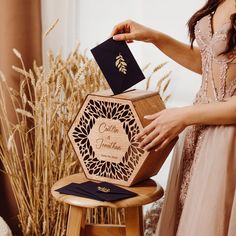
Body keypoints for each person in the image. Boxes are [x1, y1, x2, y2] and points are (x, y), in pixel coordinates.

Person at [111, 0, 236, 235]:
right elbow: (212, 63)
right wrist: (154, 37)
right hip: (198, 134)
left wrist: (184, 115)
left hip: (228, 145)